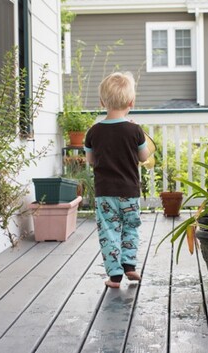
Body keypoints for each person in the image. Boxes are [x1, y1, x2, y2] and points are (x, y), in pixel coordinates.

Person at [85, 72, 151, 288]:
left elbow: (91, 160)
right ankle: (130, 266)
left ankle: (114, 276)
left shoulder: (93, 132)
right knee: (131, 227)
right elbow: (144, 157)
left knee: (109, 232)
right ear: (131, 102)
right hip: (130, 191)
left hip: (105, 193)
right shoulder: (135, 130)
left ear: (102, 102)